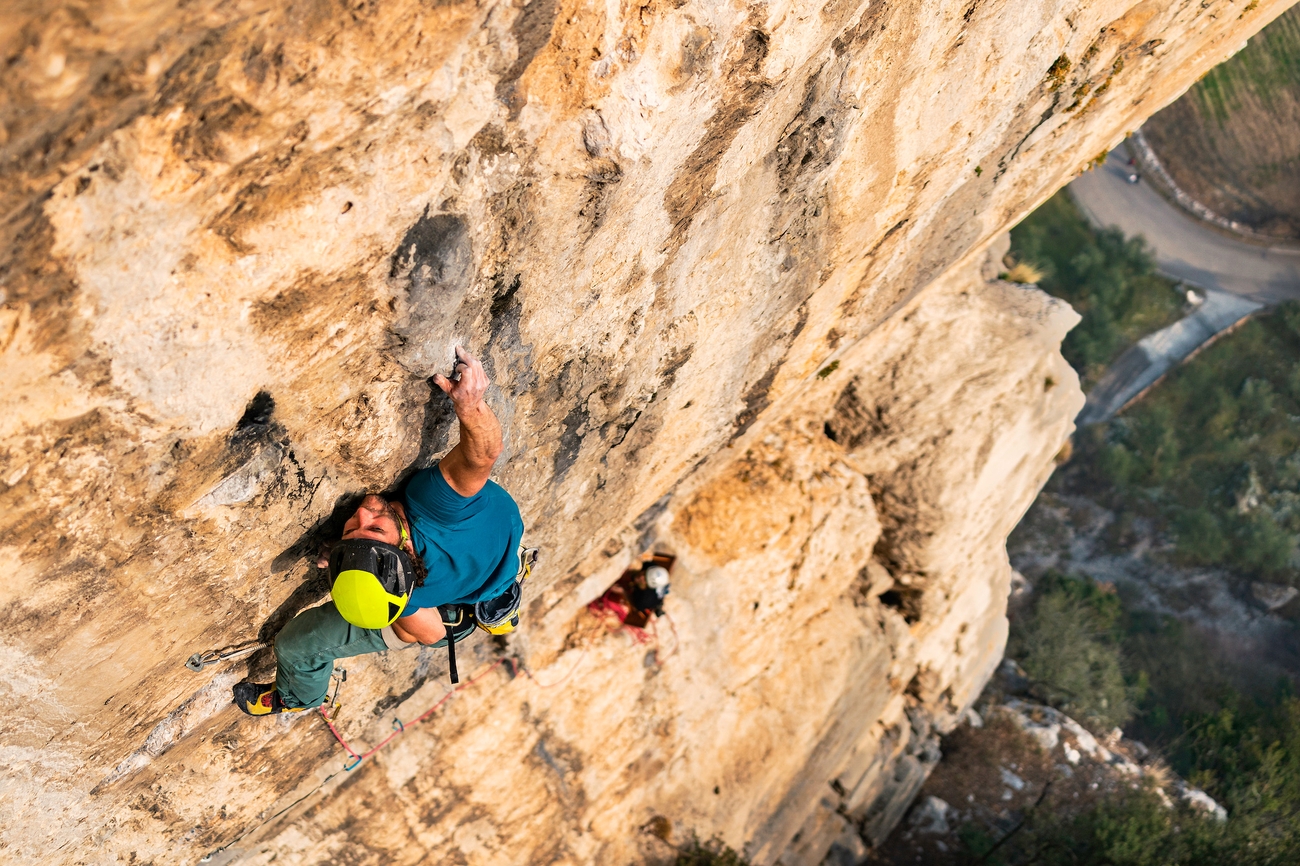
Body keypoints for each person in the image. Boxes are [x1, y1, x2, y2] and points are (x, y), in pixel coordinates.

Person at [233, 346, 524, 715]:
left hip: (467, 587)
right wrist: (471, 405)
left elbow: (426, 632)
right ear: (406, 551)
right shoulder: (433, 507)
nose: (360, 515)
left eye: (352, 530)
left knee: (303, 642)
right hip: (465, 594)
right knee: (305, 643)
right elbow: (482, 454)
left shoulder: (410, 585)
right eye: (374, 529)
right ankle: (297, 700)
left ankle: (297, 697)